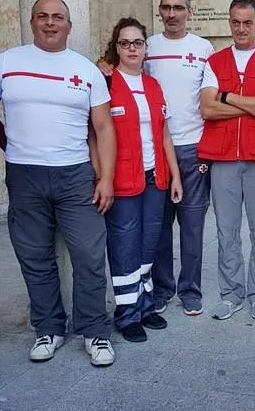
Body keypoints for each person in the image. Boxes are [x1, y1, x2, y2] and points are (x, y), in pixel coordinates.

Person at [0, 0, 117, 367]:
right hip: (24, 175)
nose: (50, 23)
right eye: (42, 16)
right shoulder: (5, 64)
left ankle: (94, 331)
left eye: (57, 17)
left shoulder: (85, 70)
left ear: (69, 25)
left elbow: (104, 127)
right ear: (31, 22)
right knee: (34, 255)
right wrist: (8, 142)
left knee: (90, 256)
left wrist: (105, 177)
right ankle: (49, 327)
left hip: (75, 174)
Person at [95, 0, 214, 317]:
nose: (172, 13)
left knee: (191, 227)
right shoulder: (145, 52)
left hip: (189, 148)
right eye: (166, 7)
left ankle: (189, 290)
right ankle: (157, 290)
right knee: (154, 230)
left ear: (190, 11)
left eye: (178, 7)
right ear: (159, 11)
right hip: (144, 156)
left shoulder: (203, 48)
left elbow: (209, 95)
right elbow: (104, 110)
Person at [199, 0, 255, 321]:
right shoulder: (215, 62)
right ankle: (231, 293)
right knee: (226, 230)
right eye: (235, 22)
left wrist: (228, 97)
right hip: (222, 157)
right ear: (229, 23)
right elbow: (207, 108)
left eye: (247, 22)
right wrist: (251, 103)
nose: (241, 28)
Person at [97, 17, 183, 343]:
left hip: (154, 178)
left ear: (146, 48)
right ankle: (127, 313)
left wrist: (174, 175)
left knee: (149, 244)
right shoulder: (105, 83)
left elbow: (163, 134)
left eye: (138, 43)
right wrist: (101, 176)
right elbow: (95, 134)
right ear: (116, 47)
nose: (132, 48)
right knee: (124, 246)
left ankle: (146, 305)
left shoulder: (152, 86)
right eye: (125, 43)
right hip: (122, 180)